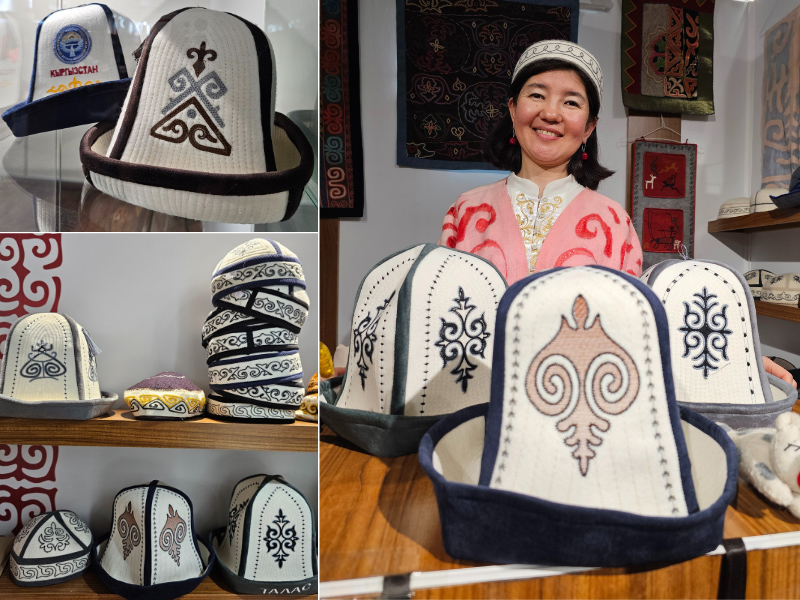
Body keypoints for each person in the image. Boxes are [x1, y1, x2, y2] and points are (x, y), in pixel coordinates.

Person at [437, 40, 796, 388]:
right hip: (474, 398)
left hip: (580, 405)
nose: (550, 112)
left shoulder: (611, 220)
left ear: (588, 127)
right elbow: (439, 313)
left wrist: (738, 352)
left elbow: (637, 322)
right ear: (513, 109)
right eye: (536, 94)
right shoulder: (466, 209)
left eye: (571, 102)